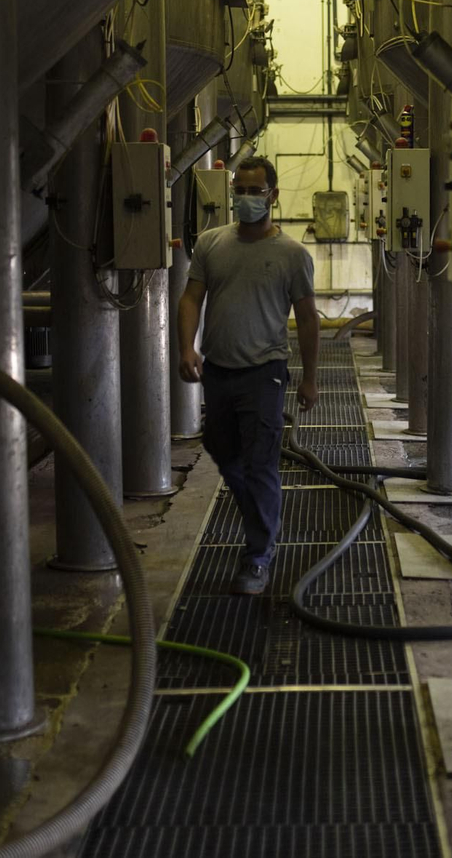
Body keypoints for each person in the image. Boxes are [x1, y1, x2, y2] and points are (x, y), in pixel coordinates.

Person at [178, 156, 320, 595]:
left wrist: (310, 377)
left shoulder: (292, 255)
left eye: (253, 192)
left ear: (272, 197)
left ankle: (258, 556)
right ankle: (262, 516)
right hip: (219, 371)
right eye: (238, 190)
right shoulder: (210, 243)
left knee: (260, 465)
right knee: (222, 451)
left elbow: (309, 318)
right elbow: (190, 298)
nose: (244, 198)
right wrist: (187, 347)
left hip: (265, 374)